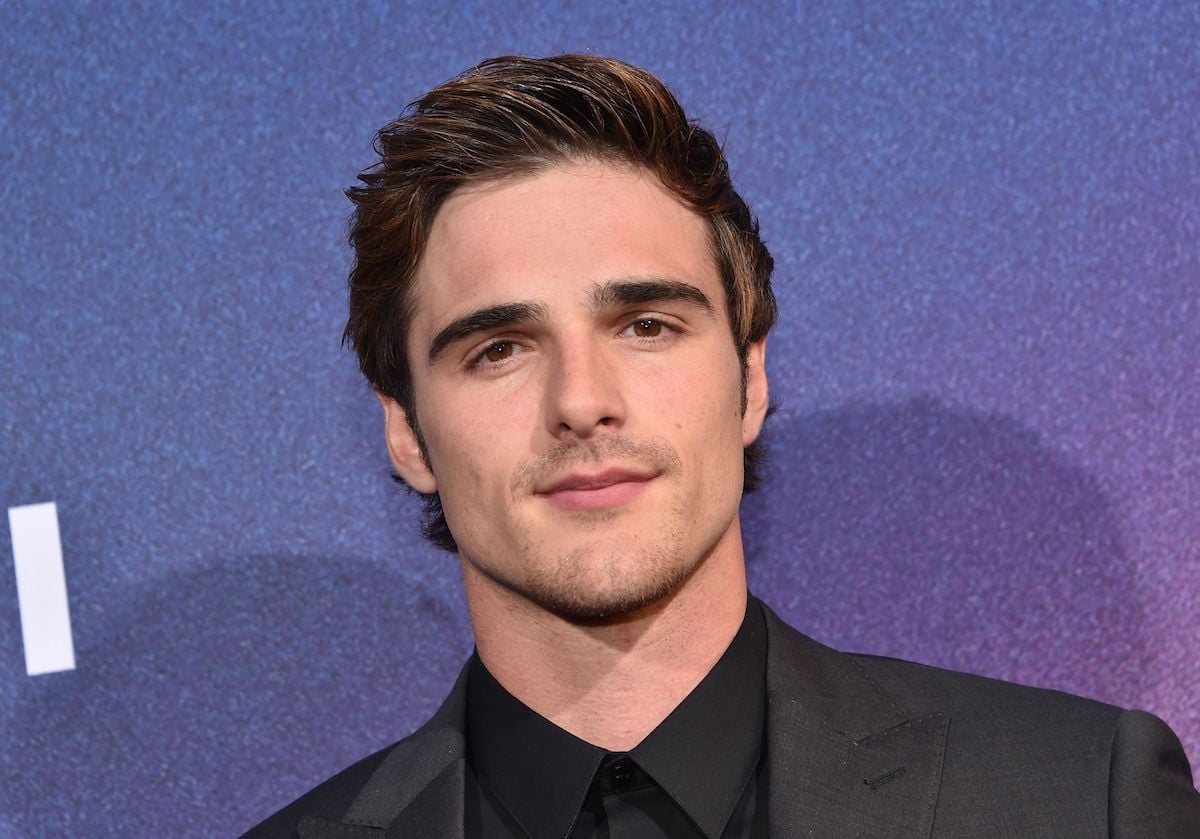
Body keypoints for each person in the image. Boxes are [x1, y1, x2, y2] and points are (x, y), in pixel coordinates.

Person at [244, 54, 1200, 838]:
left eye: (646, 326)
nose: (582, 402)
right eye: (499, 349)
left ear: (750, 381)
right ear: (406, 430)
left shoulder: (1083, 801)